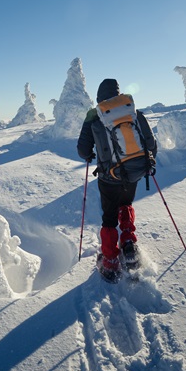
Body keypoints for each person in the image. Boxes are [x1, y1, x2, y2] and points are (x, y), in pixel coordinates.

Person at [77, 79, 157, 282]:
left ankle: (111, 261)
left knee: (109, 218)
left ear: (99, 98)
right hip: (134, 172)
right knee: (126, 203)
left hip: (109, 177)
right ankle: (129, 245)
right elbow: (150, 144)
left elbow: (82, 150)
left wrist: (89, 154)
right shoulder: (134, 113)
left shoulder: (95, 118)